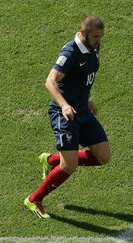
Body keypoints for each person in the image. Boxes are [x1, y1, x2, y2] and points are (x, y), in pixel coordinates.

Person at [23, 16, 110, 219]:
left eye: (101, 37)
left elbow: (81, 79)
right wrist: (64, 105)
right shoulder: (70, 52)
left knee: (103, 156)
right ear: (83, 33)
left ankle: (51, 160)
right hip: (65, 114)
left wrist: (88, 100)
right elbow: (50, 81)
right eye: (96, 36)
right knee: (68, 167)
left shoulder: (93, 47)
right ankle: (34, 199)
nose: (99, 40)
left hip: (82, 110)